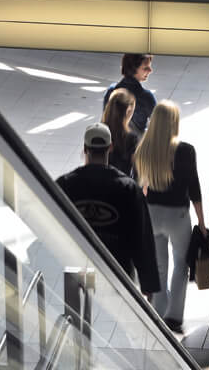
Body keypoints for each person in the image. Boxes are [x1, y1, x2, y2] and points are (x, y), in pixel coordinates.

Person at [56, 122, 160, 298]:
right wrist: (148, 283)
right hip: (118, 272)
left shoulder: (65, 185)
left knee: (77, 312)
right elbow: (142, 237)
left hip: (78, 268)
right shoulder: (128, 188)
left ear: (85, 148)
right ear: (110, 148)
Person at [133, 101, 206, 334]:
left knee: (160, 266)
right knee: (181, 266)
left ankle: (159, 312)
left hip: (152, 213)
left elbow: (137, 187)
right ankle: (174, 317)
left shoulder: (144, 149)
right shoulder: (186, 150)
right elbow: (194, 188)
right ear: (174, 122)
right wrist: (201, 221)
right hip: (178, 215)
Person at [103, 53, 156, 135]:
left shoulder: (111, 91)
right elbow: (159, 126)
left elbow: (105, 121)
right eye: (146, 68)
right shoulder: (146, 97)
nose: (150, 70)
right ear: (133, 69)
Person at [101, 87, 139, 177]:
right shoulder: (131, 138)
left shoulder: (98, 132)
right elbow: (137, 170)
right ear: (128, 111)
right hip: (122, 183)